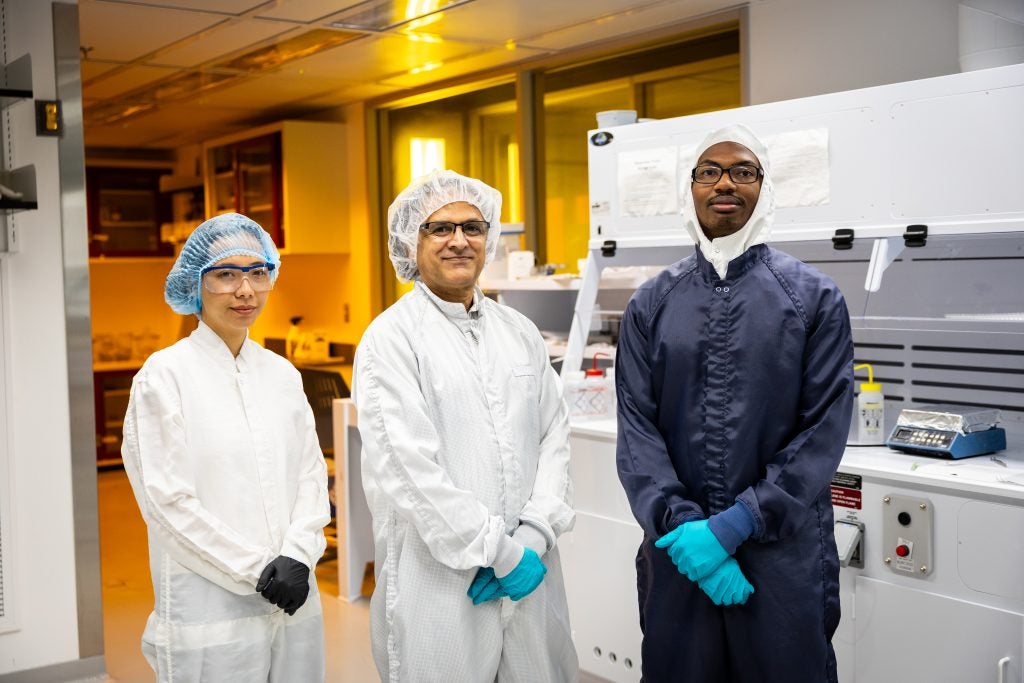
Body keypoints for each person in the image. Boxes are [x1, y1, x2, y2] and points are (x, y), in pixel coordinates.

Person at [615, 124, 854, 682]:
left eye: (744, 171)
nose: (726, 183)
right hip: (680, 552)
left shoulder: (814, 298)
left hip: (783, 558)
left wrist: (737, 523)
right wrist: (683, 526)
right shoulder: (651, 302)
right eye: (709, 171)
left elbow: (822, 432)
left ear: (764, 189)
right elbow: (637, 432)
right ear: (690, 188)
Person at [353, 170, 578, 682]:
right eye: (440, 228)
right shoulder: (392, 339)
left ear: (489, 238)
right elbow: (409, 470)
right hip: (441, 576)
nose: (459, 240)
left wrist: (533, 542)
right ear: (413, 239)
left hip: (529, 568)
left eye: (473, 227)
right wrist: (497, 551)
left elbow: (554, 439)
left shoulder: (519, 331)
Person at [121, 213, 330, 682]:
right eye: (225, 274)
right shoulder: (164, 377)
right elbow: (167, 504)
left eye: (258, 272)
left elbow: (311, 477)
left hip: (294, 596)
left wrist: (297, 555)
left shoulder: (282, 374)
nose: (245, 290)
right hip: (212, 609)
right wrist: (258, 570)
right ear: (195, 284)